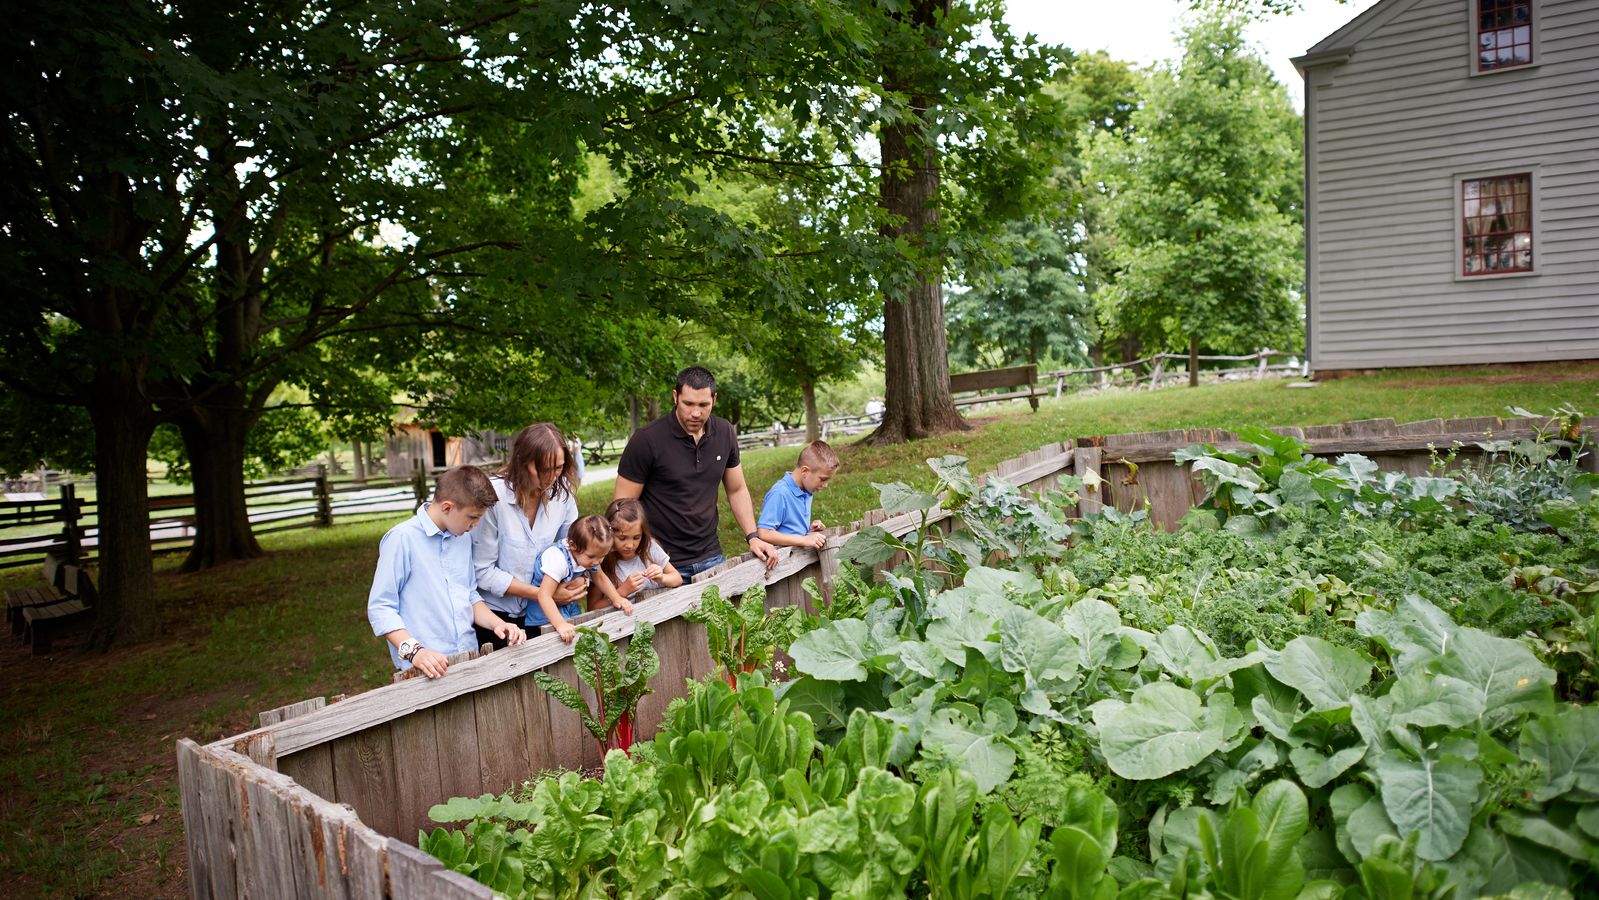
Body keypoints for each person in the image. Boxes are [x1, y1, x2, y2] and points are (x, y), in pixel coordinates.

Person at [615, 367, 779, 580]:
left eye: (703, 405)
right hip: (662, 564)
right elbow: (622, 506)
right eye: (688, 404)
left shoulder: (725, 432)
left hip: (711, 556)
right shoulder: (646, 440)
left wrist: (753, 537)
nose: (695, 413)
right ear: (675, 397)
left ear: (714, 399)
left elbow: (737, 489)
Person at [368, 466, 525, 679]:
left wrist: (498, 623)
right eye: (473, 517)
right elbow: (381, 607)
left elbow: (470, 596)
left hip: (467, 660)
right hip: (422, 671)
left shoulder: (462, 537)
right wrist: (415, 652)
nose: (476, 524)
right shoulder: (401, 539)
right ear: (447, 507)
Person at [471, 423, 587, 649]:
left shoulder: (562, 495)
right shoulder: (494, 498)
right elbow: (482, 571)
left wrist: (581, 579)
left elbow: (574, 549)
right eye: (544, 469)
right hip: (497, 619)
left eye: (559, 468)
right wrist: (546, 594)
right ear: (523, 461)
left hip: (546, 615)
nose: (552, 477)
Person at [527, 515, 634, 643]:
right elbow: (544, 596)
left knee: (578, 636)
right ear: (572, 545)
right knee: (556, 641)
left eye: (602, 556)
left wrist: (616, 598)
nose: (597, 562)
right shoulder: (557, 559)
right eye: (591, 557)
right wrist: (560, 624)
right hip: (545, 612)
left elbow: (599, 577)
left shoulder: (588, 554)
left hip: (567, 605)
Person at [756, 440, 839, 551]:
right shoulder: (780, 493)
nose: (825, 485)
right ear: (805, 471)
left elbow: (788, 528)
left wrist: (810, 529)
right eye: (823, 479)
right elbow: (764, 533)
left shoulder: (806, 490)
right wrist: (803, 540)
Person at [601, 497, 684, 600]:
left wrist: (662, 577)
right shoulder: (601, 560)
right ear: (609, 533)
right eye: (622, 538)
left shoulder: (649, 548)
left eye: (636, 537)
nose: (630, 545)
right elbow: (593, 607)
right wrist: (622, 592)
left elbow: (677, 579)